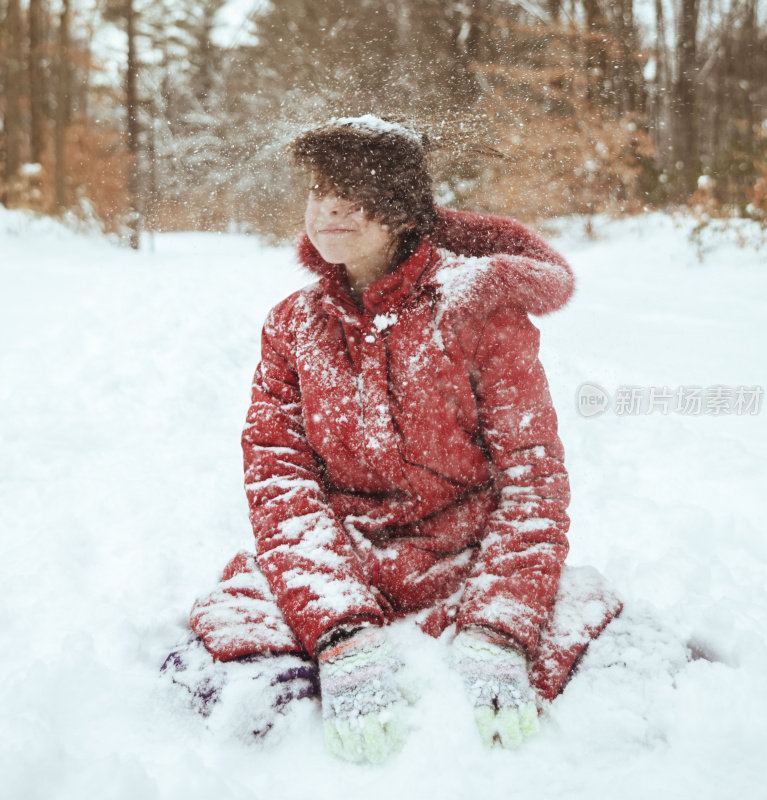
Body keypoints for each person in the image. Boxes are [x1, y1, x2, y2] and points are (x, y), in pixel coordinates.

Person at [169, 115, 621, 763]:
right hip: (339, 561)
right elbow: (279, 482)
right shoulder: (292, 326)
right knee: (232, 679)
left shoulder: (481, 312)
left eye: (354, 195)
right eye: (320, 190)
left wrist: (500, 627)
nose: (329, 208)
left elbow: (532, 480)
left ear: (404, 211)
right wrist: (338, 625)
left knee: (612, 669)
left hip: (467, 566)